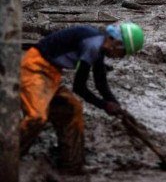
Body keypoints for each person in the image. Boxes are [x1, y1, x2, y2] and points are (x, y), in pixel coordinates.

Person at [19, 22, 144, 174]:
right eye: (123, 53)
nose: (120, 57)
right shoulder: (92, 45)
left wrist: (117, 107)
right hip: (34, 68)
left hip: (51, 74)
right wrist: (105, 105)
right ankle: (8, 155)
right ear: (117, 43)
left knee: (72, 109)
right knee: (36, 117)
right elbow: (79, 87)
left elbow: (101, 83)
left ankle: (71, 166)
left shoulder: (99, 44)